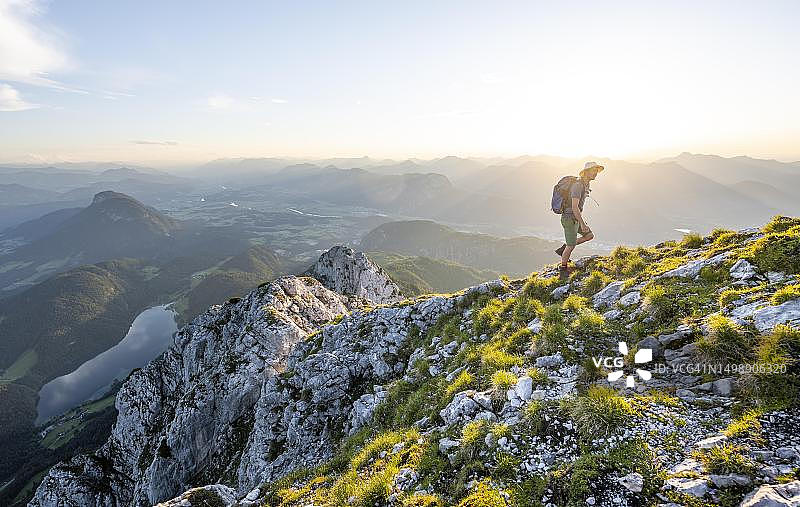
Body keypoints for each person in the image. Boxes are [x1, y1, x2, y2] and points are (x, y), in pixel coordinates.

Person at [555, 161, 604, 275]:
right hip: (569, 219)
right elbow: (574, 207)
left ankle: (564, 248)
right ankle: (563, 269)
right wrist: (582, 223)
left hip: (575, 218)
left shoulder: (586, 184)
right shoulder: (578, 185)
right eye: (594, 171)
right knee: (571, 246)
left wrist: (580, 221)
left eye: (597, 171)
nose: (596, 173)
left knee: (589, 235)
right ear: (586, 172)